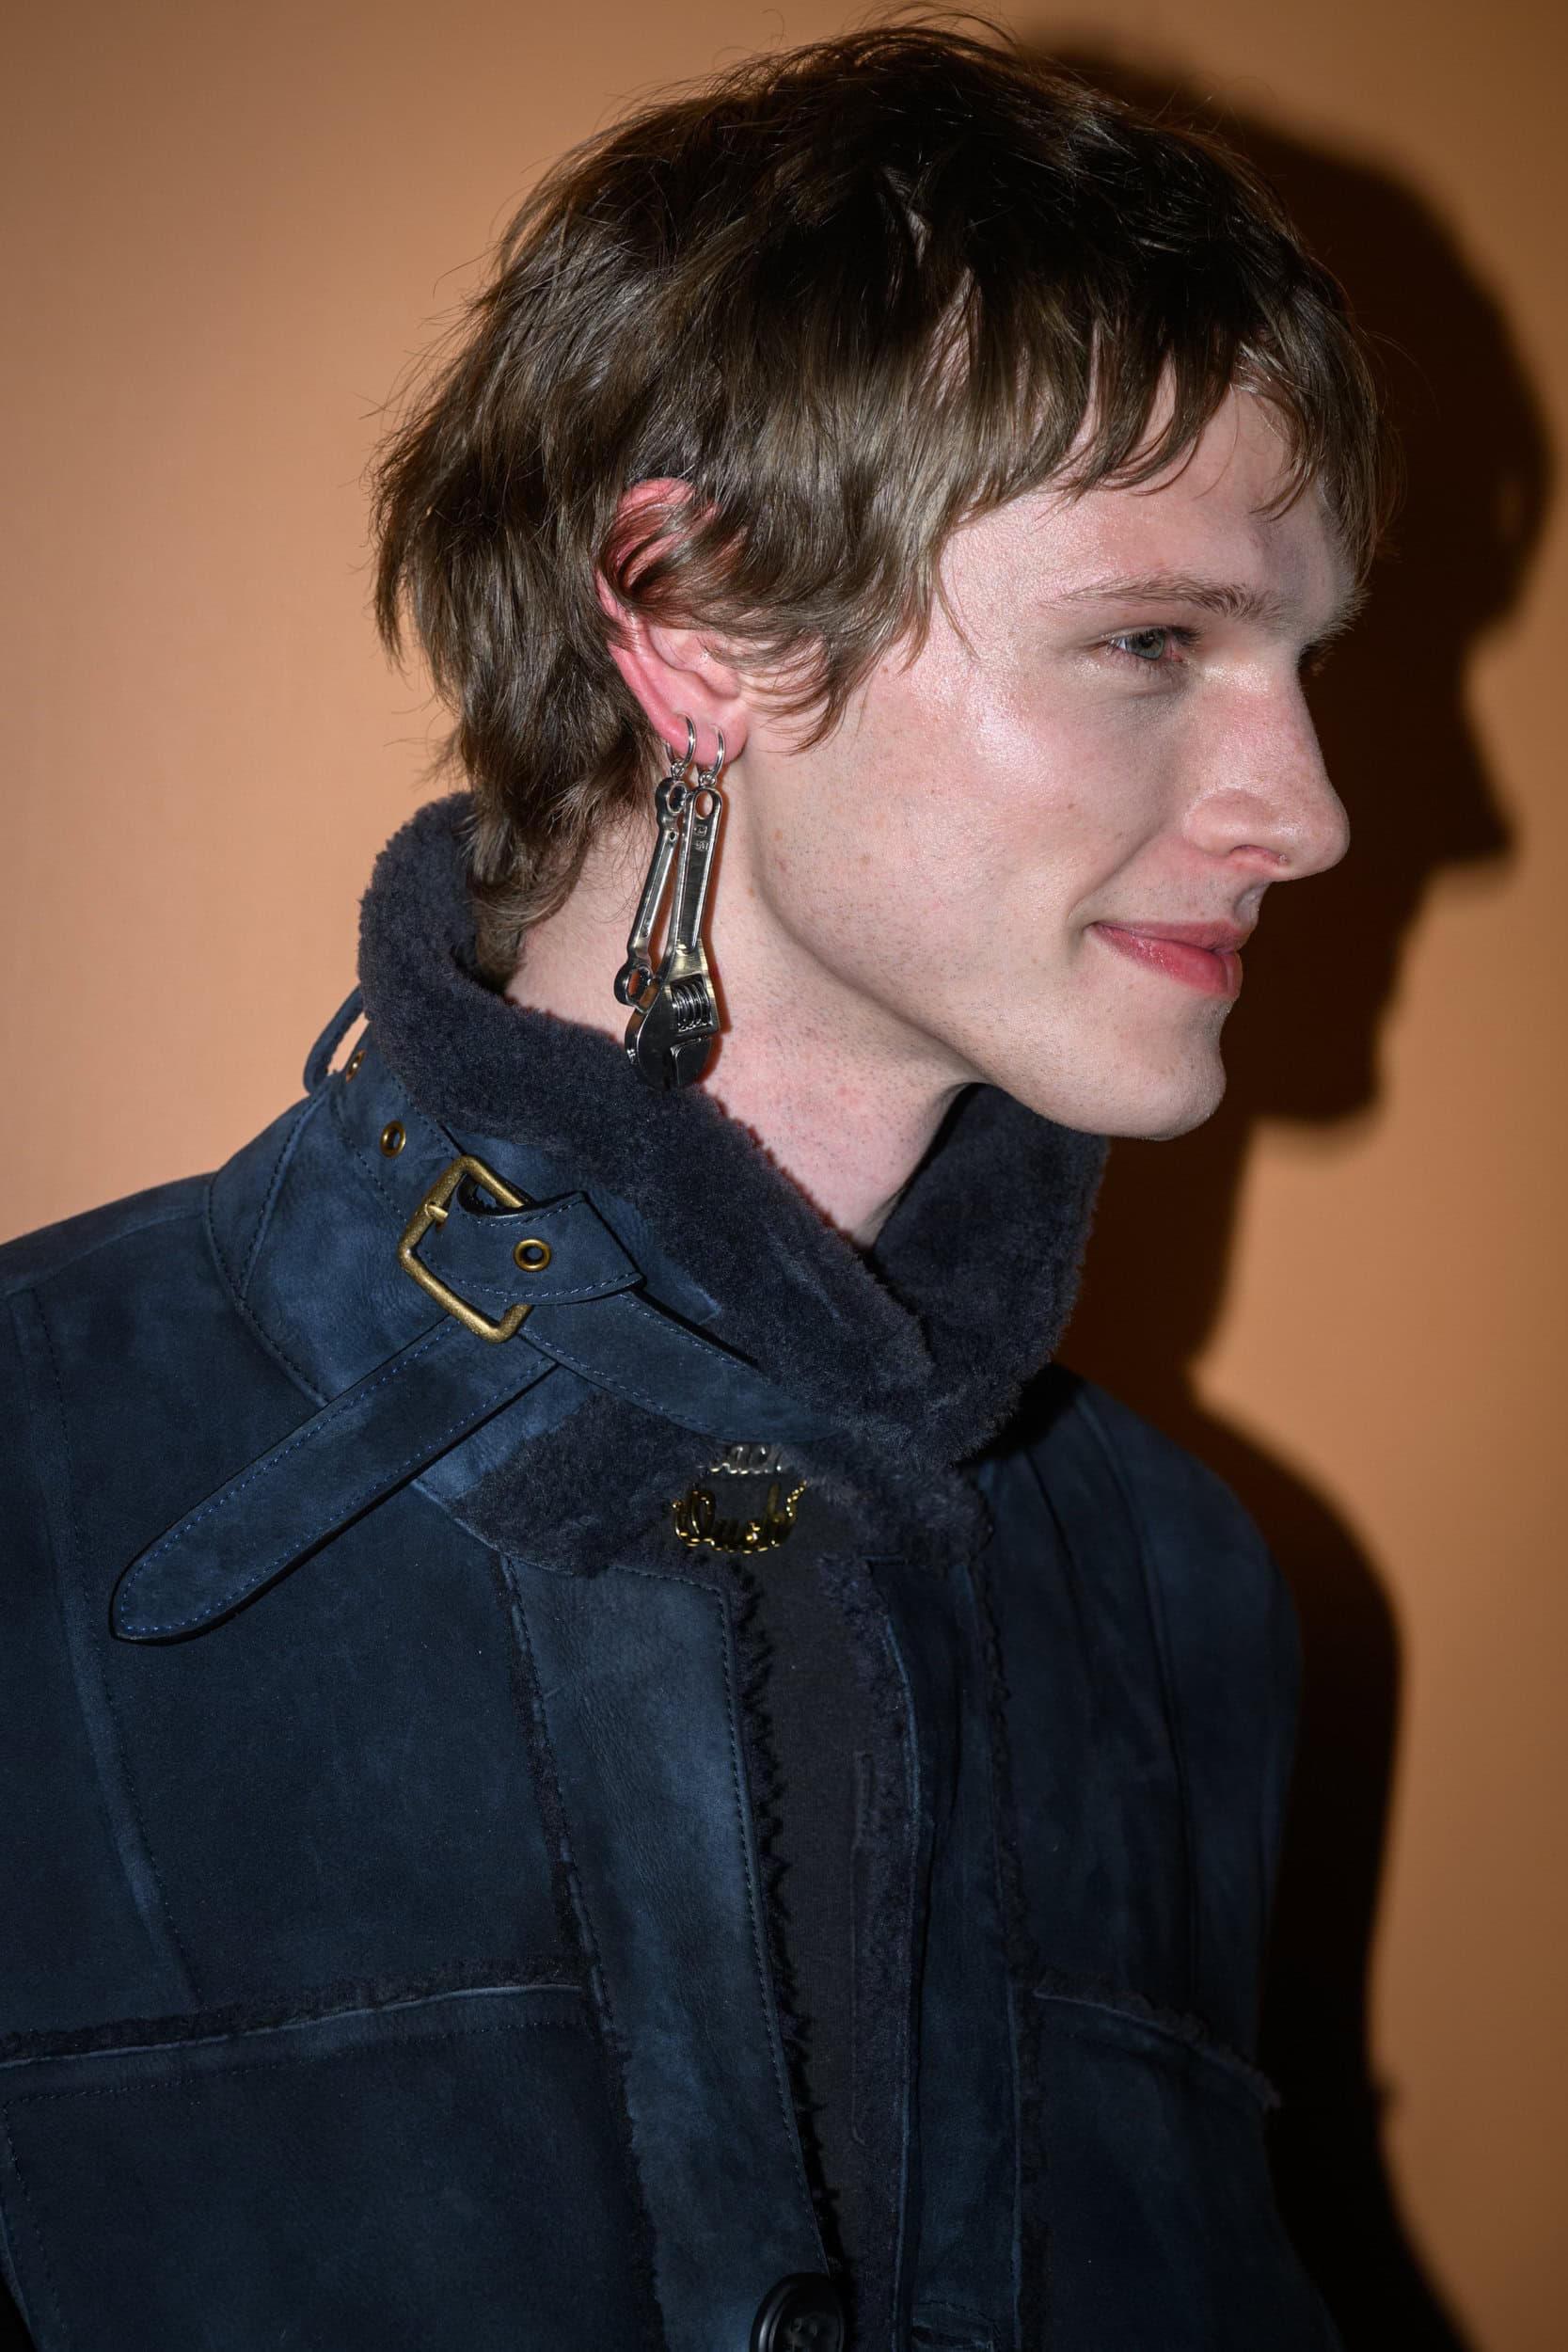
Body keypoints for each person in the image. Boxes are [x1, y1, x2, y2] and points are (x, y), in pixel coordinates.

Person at [0, 25, 1388, 2351]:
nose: (1314, 810)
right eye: (1156, 639)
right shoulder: (36, 1463)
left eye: (1303, 659)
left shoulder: (1188, 1600)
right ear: (696, 615)